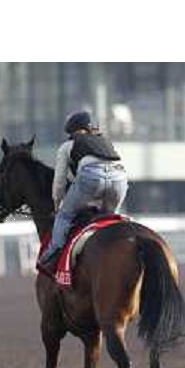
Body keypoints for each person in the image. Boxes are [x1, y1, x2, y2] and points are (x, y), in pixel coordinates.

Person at [38, 111, 128, 274]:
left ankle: (54, 254)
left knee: (64, 216)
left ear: (71, 131)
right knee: (111, 218)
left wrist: (57, 203)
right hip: (119, 179)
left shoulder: (67, 146)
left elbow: (59, 182)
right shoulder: (105, 141)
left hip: (90, 178)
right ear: (89, 127)